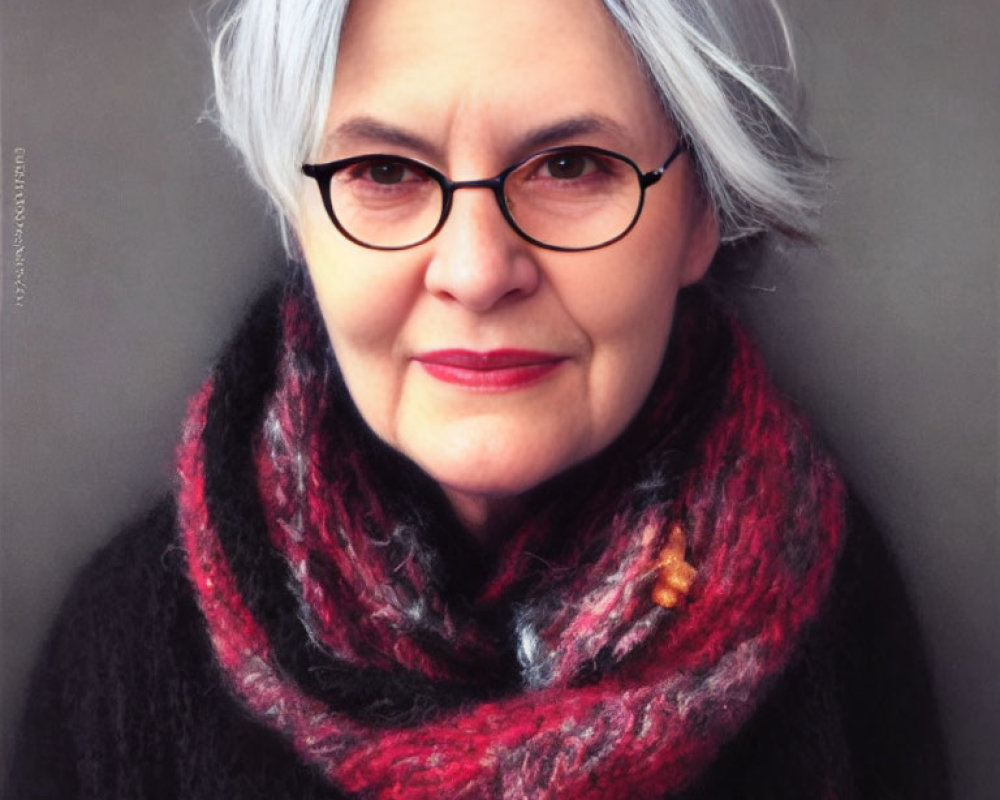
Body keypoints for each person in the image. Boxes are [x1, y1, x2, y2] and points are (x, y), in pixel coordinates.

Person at [6, 0, 949, 797]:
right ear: (300, 221)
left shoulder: (835, 618)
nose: (476, 269)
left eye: (571, 165)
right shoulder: (126, 654)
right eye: (384, 173)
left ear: (702, 213)